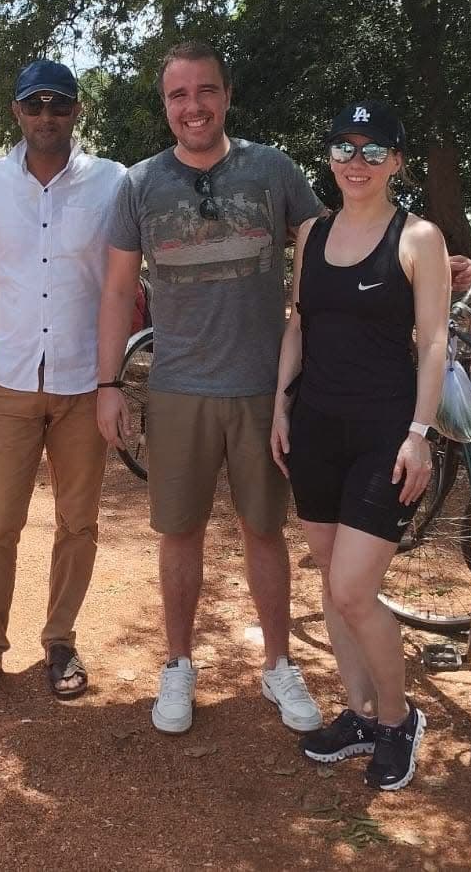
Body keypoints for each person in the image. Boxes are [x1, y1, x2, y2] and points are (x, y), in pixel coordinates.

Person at [96, 40, 325, 736]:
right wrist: (108, 382)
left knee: (265, 530)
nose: (192, 106)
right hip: (178, 387)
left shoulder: (273, 169)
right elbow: (117, 290)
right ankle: (177, 664)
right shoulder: (139, 184)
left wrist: (421, 256)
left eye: (205, 91)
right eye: (178, 95)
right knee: (179, 532)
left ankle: (279, 663)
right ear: (165, 105)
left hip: (263, 390)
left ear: (226, 96)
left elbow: (328, 246)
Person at [271, 101, 449, 791]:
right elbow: (298, 323)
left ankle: (399, 719)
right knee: (329, 575)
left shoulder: (418, 238)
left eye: (374, 150)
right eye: (344, 147)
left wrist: (420, 434)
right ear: (329, 156)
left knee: (352, 588)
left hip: (385, 434)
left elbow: (433, 344)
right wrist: (279, 407)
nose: (357, 161)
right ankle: (359, 712)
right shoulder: (311, 232)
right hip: (315, 427)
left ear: (396, 162)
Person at [0, 60, 125, 701]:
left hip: (85, 381)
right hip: (11, 380)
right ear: (17, 112)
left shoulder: (113, 182)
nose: (47, 115)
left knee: (78, 523)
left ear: (77, 110)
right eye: (35, 104)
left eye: (59, 103)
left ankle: (60, 640)